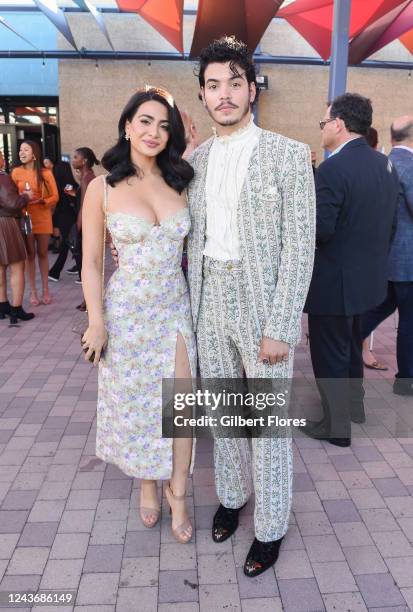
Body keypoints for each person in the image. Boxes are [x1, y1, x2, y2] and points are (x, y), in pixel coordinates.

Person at [186, 36, 315, 576]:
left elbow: (301, 245)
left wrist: (282, 324)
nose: (224, 94)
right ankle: (234, 498)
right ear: (202, 95)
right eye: (213, 86)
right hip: (208, 296)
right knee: (221, 414)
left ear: (251, 87)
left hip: (262, 305)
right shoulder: (194, 162)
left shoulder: (288, 154)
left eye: (234, 83)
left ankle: (271, 527)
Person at [81, 87, 196, 544]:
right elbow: (91, 263)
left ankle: (179, 493)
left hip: (175, 310)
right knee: (139, 408)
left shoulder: (182, 181)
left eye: (164, 125)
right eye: (145, 121)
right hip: (126, 312)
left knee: (180, 406)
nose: (154, 132)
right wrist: (96, 321)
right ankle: (147, 484)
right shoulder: (101, 188)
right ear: (127, 125)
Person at [304, 94, 399, 447]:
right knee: (350, 346)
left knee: (330, 353)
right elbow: (390, 223)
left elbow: (322, 231)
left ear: (339, 125)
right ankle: (354, 407)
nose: (323, 129)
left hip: (334, 281)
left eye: (324, 122)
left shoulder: (332, 169)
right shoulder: (384, 164)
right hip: (368, 279)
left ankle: (336, 427)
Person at [362, 116, 413, 396]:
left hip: (386, 257)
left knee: (381, 307)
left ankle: (343, 340)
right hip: (408, 261)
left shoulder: (381, 163)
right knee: (408, 322)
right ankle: (406, 380)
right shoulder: (409, 166)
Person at [11, 141, 59, 306]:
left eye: (26, 149)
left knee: (43, 253)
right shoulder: (16, 172)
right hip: (26, 217)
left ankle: (46, 290)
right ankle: (33, 291)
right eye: (20, 150)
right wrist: (22, 198)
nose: (21, 153)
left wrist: (43, 201)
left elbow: (55, 196)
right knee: (30, 255)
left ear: (34, 154)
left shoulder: (46, 173)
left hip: (43, 216)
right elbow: (10, 197)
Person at [361, 127, 388, 371]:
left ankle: (361, 347)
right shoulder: (381, 167)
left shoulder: (384, 167)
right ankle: (362, 348)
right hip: (372, 254)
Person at [0, 151, 35, 324]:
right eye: (0, 156)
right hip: (6, 225)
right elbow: (13, 203)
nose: (3, 159)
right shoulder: (3, 178)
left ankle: (2, 306)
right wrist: (25, 197)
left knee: (0, 268)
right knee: (17, 267)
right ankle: (16, 309)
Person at [69, 148, 100, 311]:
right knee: (85, 265)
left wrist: (77, 228)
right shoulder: (86, 177)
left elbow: (84, 206)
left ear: (84, 161)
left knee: (87, 265)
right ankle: (87, 299)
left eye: (75, 157)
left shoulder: (88, 178)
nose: (72, 160)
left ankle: (90, 301)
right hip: (87, 225)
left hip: (87, 226)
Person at [48, 160, 77, 282]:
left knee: (70, 245)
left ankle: (56, 272)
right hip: (70, 217)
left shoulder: (61, 186)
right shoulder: (68, 185)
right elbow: (74, 199)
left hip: (64, 218)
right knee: (68, 244)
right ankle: (55, 272)